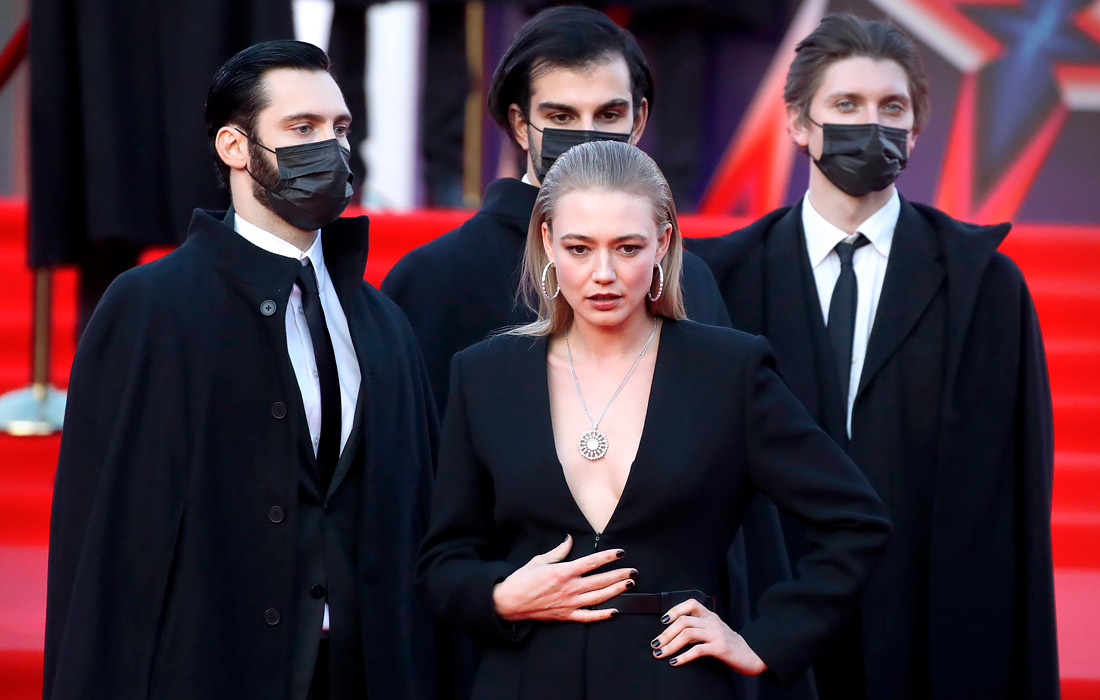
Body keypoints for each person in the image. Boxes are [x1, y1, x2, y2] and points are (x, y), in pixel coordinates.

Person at [418, 140, 891, 699]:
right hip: (524, 679)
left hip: (677, 679)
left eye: (627, 248)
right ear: (546, 241)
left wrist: (765, 640)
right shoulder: (485, 374)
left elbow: (855, 522)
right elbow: (443, 563)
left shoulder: (727, 370)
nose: (603, 274)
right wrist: (500, 596)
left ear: (663, 243)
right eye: (579, 248)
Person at [44, 41, 439, 700]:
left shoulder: (381, 323)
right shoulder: (151, 309)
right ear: (235, 146)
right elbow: (104, 539)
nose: (331, 148)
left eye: (340, 128)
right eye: (302, 128)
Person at [687, 14, 1058, 700]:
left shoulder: (984, 287)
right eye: (846, 104)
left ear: (914, 131)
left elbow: (1020, 500)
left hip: (930, 636)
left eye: (891, 108)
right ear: (798, 123)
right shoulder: (721, 281)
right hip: (766, 627)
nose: (871, 124)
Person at [382, 5, 730, 417]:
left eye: (609, 115)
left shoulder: (688, 278)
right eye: (561, 116)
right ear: (520, 125)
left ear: (638, 122)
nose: (587, 136)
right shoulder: (435, 280)